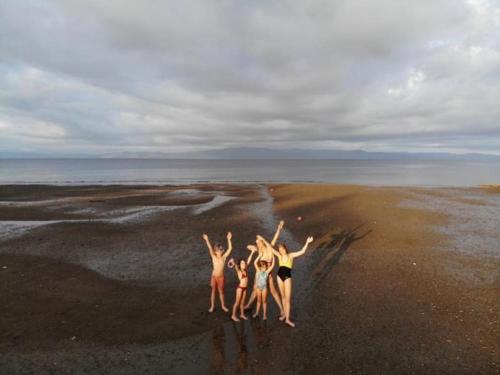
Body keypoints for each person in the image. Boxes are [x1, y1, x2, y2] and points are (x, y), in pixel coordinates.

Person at [257, 234, 314, 327]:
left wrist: (307, 242)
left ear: (285, 249)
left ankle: (287, 319)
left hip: (287, 277)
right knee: (283, 297)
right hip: (279, 277)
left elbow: (302, 252)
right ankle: (284, 315)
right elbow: (270, 248)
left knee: (287, 299)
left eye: (282, 249)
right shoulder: (279, 256)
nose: (281, 250)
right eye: (279, 249)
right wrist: (263, 239)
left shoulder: (290, 256)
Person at [244, 221, 285, 319]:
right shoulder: (259, 250)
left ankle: (282, 310)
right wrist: (252, 248)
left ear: (262, 241)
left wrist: (279, 229)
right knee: (255, 288)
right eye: (257, 242)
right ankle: (249, 305)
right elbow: (248, 246)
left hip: (268, 273)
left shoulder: (269, 248)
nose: (257, 243)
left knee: (273, 291)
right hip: (259, 273)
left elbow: (275, 238)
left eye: (259, 242)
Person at [203, 232, 233, 313]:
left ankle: (223, 306)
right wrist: (207, 240)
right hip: (214, 276)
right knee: (213, 291)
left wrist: (229, 239)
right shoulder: (213, 257)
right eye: (219, 250)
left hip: (221, 277)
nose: (221, 251)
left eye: (221, 250)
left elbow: (230, 248)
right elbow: (209, 248)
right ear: (215, 251)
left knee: (221, 291)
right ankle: (212, 306)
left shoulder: (224, 257)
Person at [229, 251, 255, 321]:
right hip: (240, 288)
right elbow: (235, 266)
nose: (244, 264)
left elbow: (249, 260)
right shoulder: (239, 271)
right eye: (242, 263)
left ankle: (242, 314)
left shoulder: (245, 270)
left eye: (244, 263)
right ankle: (233, 315)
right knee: (237, 302)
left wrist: (252, 252)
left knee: (242, 302)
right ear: (240, 265)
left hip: (245, 288)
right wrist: (232, 261)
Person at [252, 253, 275, 320]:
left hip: (264, 288)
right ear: (260, 267)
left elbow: (272, 266)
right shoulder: (258, 271)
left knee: (264, 301)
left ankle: (264, 315)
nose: (263, 268)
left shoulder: (267, 272)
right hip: (258, 288)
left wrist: (273, 257)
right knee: (258, 301)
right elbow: (254, 263)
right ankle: (257, 313)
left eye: (264, 267)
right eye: (262, 267)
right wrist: (259, 256)